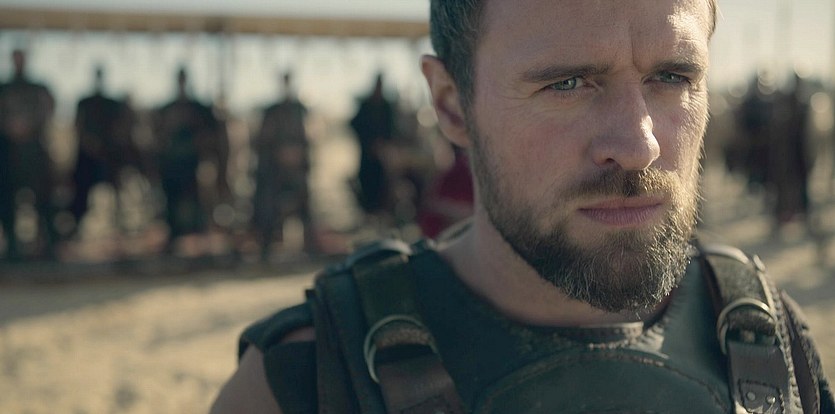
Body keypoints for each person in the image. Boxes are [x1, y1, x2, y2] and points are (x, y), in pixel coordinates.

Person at [212, 1, 834, 413]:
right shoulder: (311, 378)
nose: (638, 145)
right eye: (567, 83)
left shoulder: (767, 340)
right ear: (452, 104)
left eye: (672, 77)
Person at [152, 67, 225, 253]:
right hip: (173, 166)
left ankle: (201, 238)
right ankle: (175, 236)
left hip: (195, 164)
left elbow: (212, 137)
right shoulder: (168, 110)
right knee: (172, 201)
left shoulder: (198, 109)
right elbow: (159, 137)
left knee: (199, 199)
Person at [0, 49, 58, 261]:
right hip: (8, 152)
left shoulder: (37, 88)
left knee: (42, 198)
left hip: (33, 151)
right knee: (7, 199)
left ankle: (46, 242)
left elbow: (47, 109)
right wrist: (10, 128)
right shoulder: (4, 88)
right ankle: (12, 245)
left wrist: (29, 127)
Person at [251, 71, 316, 258]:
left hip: (296, 170)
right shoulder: (272, 111)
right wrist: (279, 154)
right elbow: (263, 140)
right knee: (267, 204)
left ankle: (309, 245)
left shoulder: (299, 110)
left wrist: (297, 155)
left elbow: (308, 139)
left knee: (304, 203)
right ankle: (267, 244)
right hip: (275, 171)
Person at [70, 66, 138, 235]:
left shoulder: (112, 105)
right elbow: (78, 127)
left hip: (109, 155)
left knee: (117, 187)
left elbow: (120, 129)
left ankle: (120, 224)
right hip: (88, 156)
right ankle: (77, 224)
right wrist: (90, 144)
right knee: (81, 189)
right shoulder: (85, 103)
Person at [349, 73, 396, 222]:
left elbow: (392, 128)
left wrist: (384, 144)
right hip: (367, 154)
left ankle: (379, 213)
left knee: (381, 184)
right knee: (367, 183)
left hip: (381, 155)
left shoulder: (386, 106)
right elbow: (355, 124)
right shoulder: (366, 105)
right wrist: (368, 142)